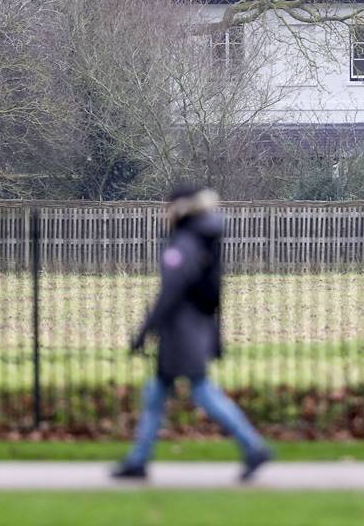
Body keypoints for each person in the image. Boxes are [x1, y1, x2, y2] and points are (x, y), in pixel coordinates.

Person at [113, 185, 272, 482]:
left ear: (179, 209)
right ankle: (138, 459)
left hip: (180, 333)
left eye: (166, 207)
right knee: (156, 394)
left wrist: (145, 331)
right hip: (191, 328)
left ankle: (253, 447)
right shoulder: (202, 239)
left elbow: (170, 292)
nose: (163, 213)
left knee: (201, 391)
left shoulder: (184, 243)